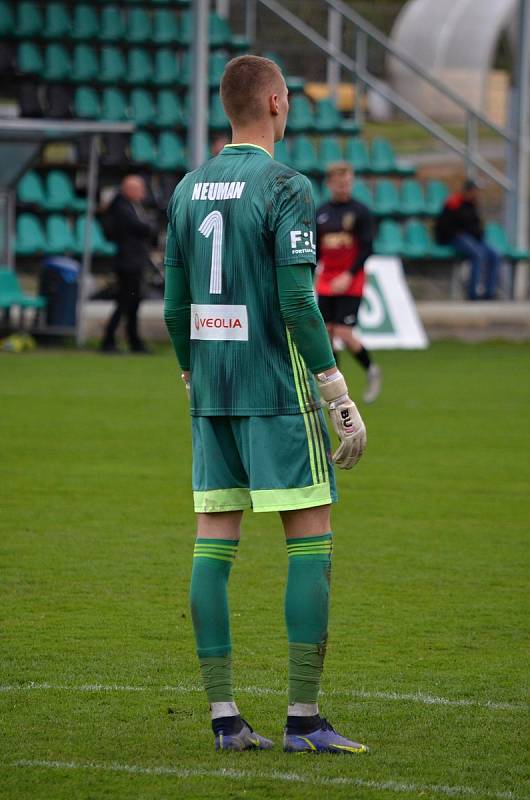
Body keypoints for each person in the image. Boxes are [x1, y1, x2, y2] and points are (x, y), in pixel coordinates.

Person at [163, 55, 368, 754]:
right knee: (309, 542)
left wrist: (193, 375)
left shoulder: (187, 188)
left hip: (211, 393)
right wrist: (336, 391)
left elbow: (171, 306)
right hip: (276, 392)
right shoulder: (285, 185)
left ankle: (224, 717)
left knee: (212, 544)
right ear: (277, 101)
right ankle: (303, 720)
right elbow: (297, 300)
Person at [315, 162, 382, 404]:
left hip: (350, 281)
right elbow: (317, 250)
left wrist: (349, 274)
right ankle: (334, 390)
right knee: (327, 333)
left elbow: (367, 248)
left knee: (343, 332)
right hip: (327, 280)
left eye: (348, 182)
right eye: (340, 183)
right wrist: (314, 273)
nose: (344, 187)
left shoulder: (361, 212)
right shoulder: (321, 212)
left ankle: (371, 369)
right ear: (330, 183)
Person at [101, 175, 153, 353]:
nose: (142, 193)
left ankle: (133, 341)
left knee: (132, 303)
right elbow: (140, 227)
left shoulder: (131, 206)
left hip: (134, 260)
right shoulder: (120, 207)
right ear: (128, 189)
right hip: (127, 262)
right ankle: (109, 340)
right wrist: (148, 227)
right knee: (125, 302)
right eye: (139, 189)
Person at [435, 178, 500, 300]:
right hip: (454, 238)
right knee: (478, 254)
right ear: (469, 190)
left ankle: (489, 294)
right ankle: (473, 294)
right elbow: (444, 226)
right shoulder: (454, 202)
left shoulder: (473, 204)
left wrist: (478, 235)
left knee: (494, 254)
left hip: (472, 238)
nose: (477, 194)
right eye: (475, 190)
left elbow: (475, 226)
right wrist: (457, 234)